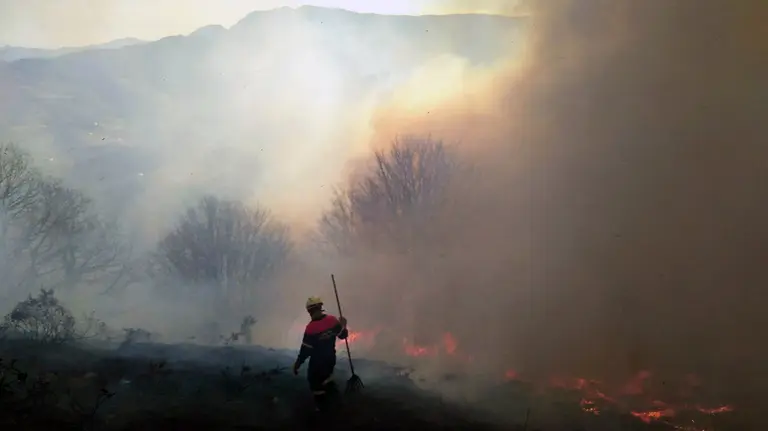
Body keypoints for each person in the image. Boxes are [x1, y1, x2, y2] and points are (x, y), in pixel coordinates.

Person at [293, 296, 348, 411]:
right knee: (326, 377)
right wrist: (343, 325)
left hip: (317, 362)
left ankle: (323, 408)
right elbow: (343, 335)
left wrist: (298, 364)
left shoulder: (311, 328)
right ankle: (336, 403)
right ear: (320, 307)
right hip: (330, 359)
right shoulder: (332, 321)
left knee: (315, 381)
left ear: (309, 311)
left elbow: (305, 350)